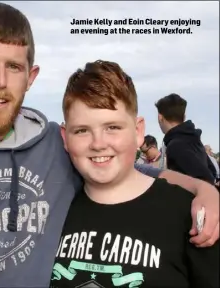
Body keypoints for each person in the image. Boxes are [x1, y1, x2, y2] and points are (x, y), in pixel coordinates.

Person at [0, 3, 219, 288]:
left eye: (14, 67)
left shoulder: (55, 145)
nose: (0, 81)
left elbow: (131, 172)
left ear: (31, 77)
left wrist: (204, 189)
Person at [51, 60, 219, 288]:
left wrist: (206, 190)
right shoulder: (52, 212)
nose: (98, 144)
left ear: (138, 131)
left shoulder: (190, 215)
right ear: (65, 137)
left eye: (112, 127)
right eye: (82, 130)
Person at [155, 93, 215, 184]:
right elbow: (212, 171)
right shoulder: (193, 139)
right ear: (184, 116)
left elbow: (206, 179)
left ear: (160, 117)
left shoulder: (176, 146)